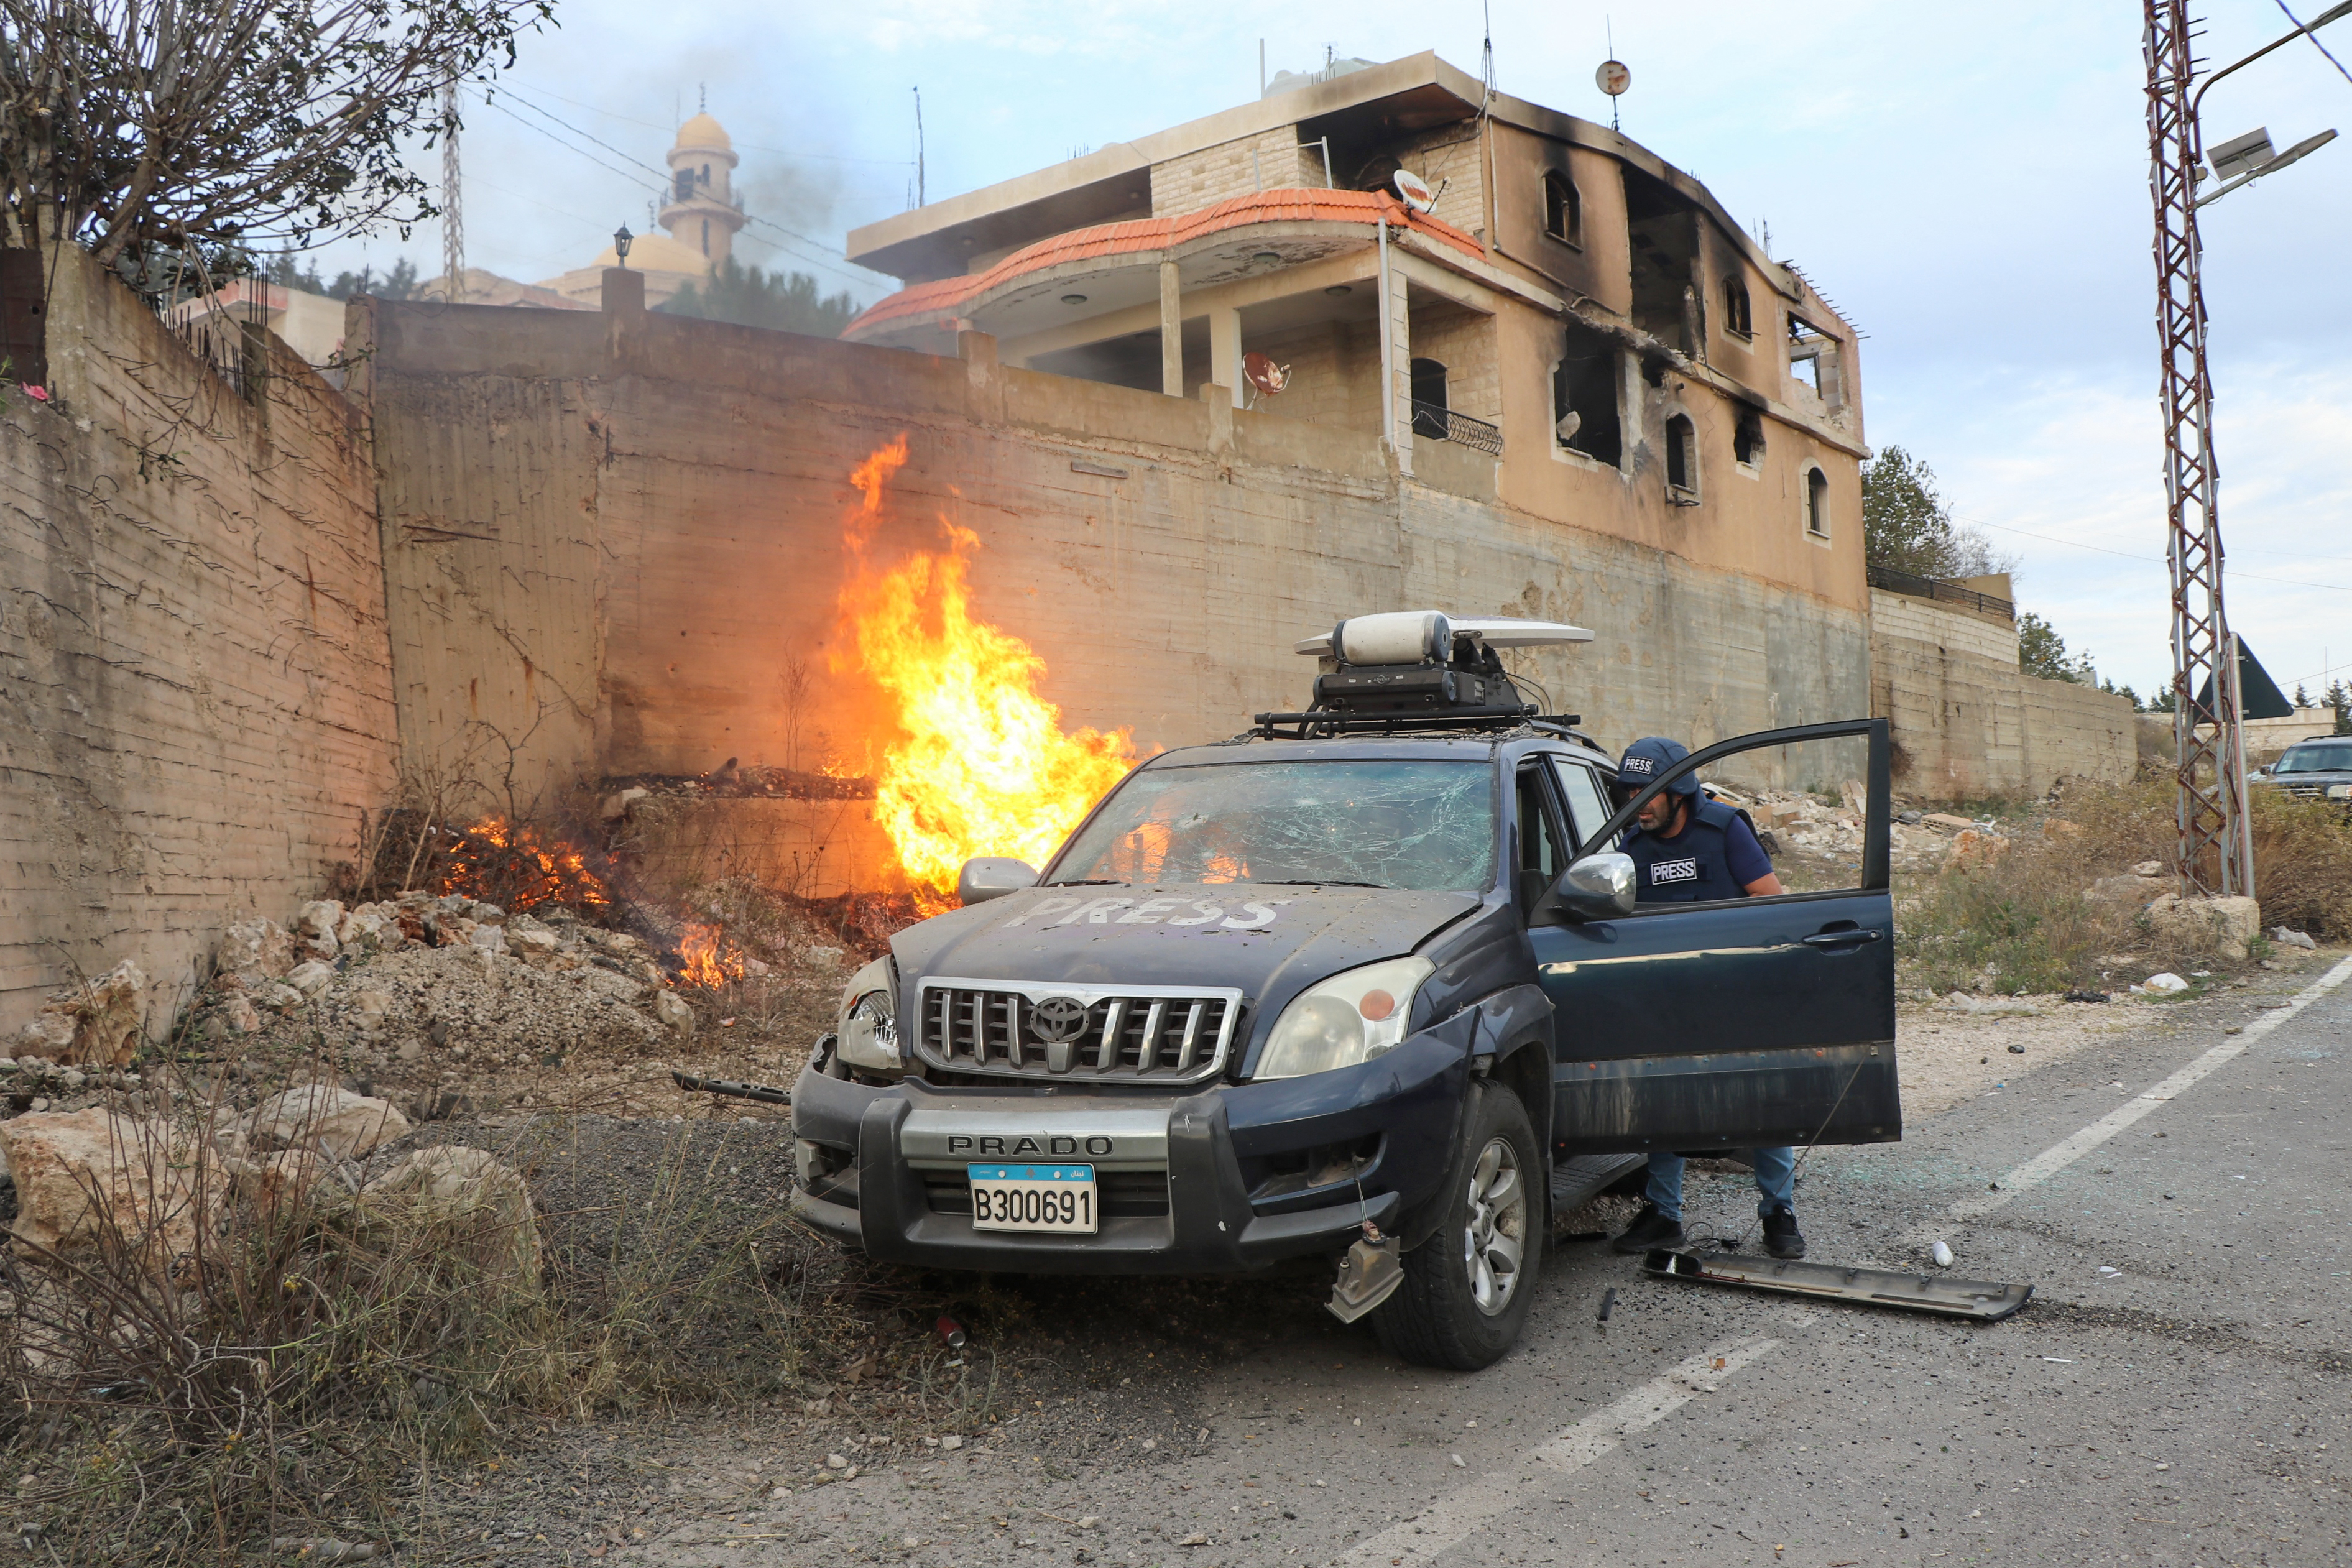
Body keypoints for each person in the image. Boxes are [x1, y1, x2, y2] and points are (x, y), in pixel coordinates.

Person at [1603, 736, 1807, 1261]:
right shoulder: (1631, 849)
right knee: (1661, 1102)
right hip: (1669, 1001)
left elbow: (1770, 903)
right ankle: (1663, 1215)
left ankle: (1778, 1213)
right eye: (1629, 791)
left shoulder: (1724, 829)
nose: (1636, 801)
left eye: (1646, 792)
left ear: (1678, 792)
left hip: (1735, 992)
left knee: (1763, 1099)